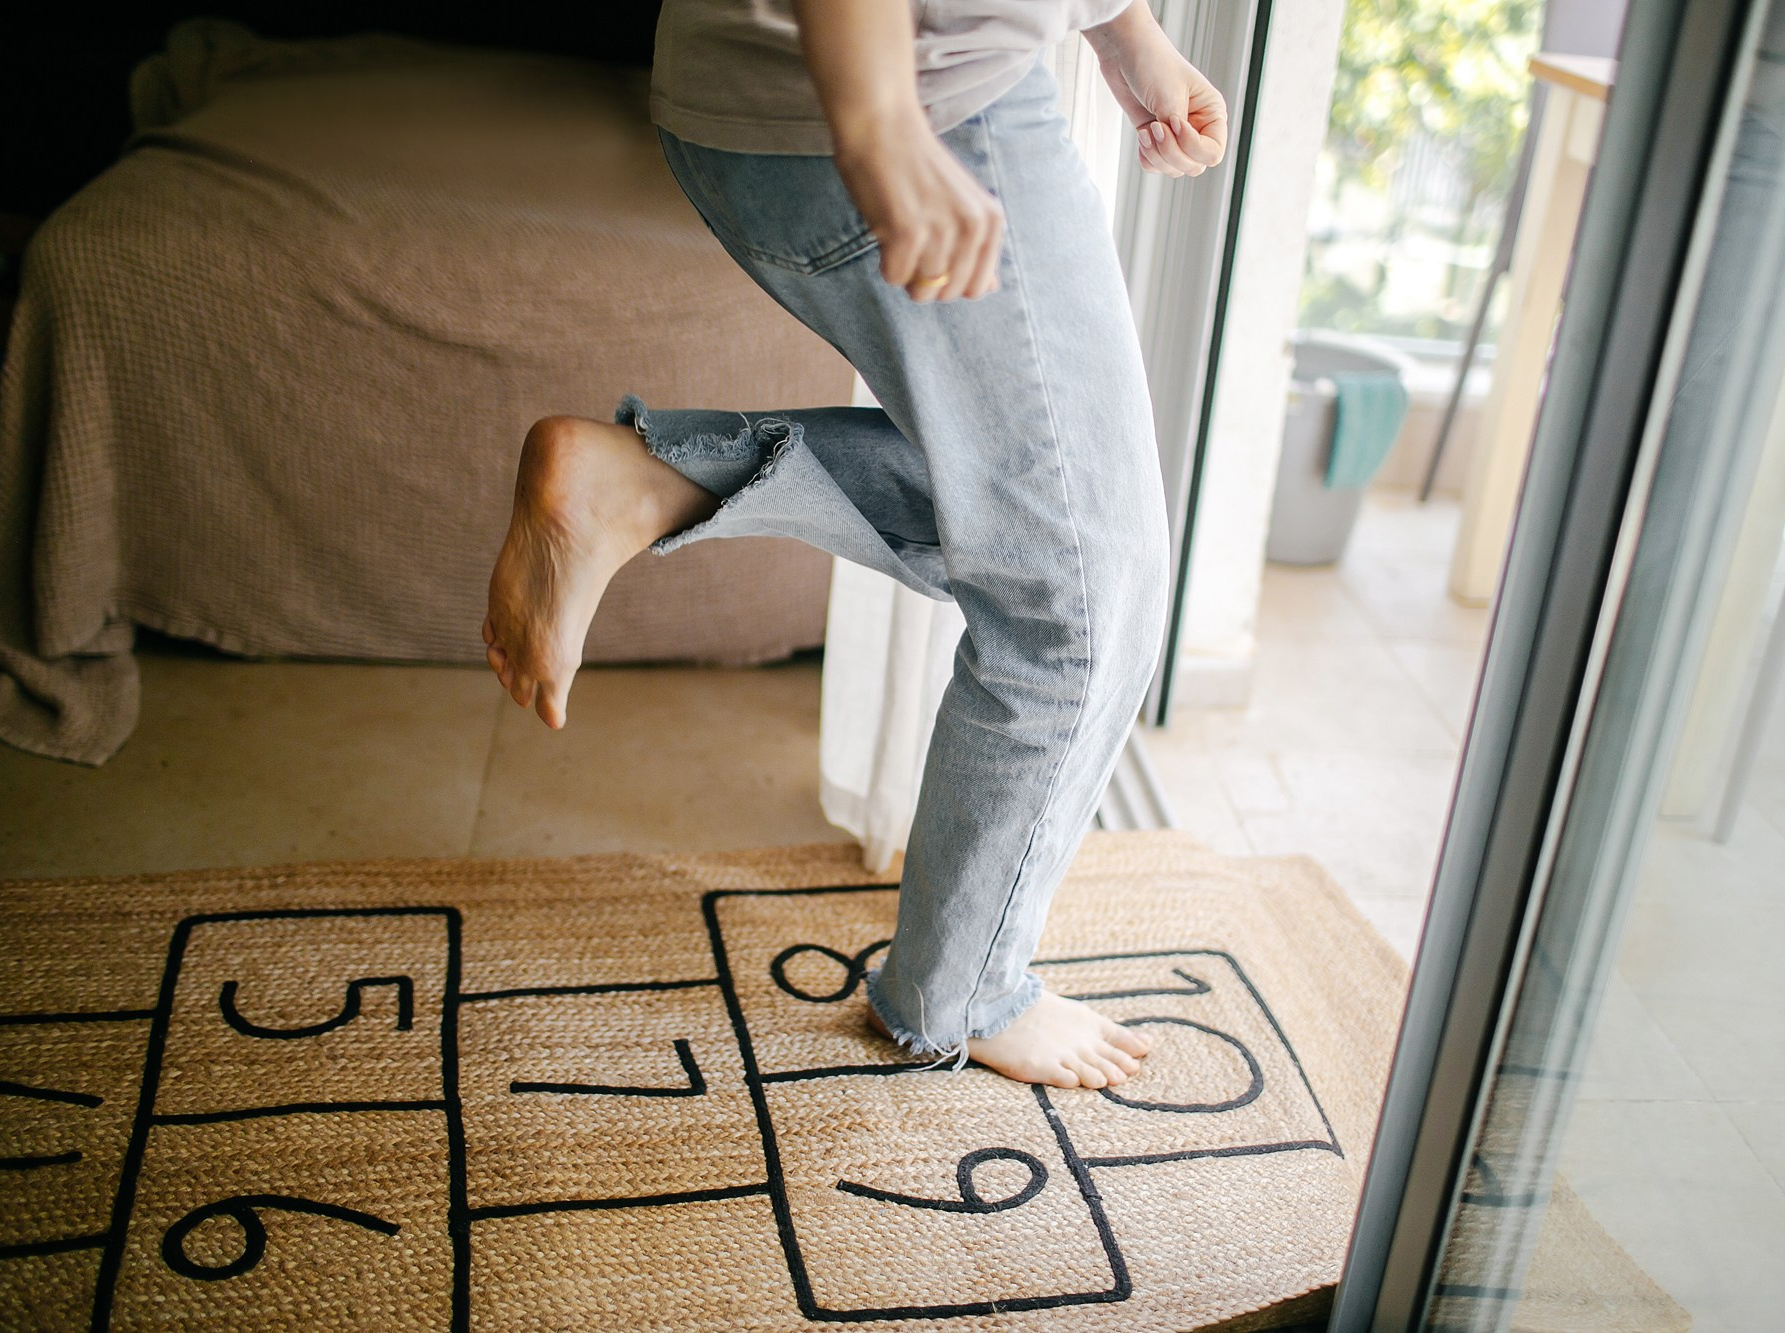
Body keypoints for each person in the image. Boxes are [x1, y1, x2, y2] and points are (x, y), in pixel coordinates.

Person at [481, 0, 1228, 1089]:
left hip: (865, 82)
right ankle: (962, 991)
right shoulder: (889, 108)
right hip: (892, 94)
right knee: (1075, 596)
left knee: (1057, 530)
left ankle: (648, 483)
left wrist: (1124, 32)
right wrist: (879, 125)